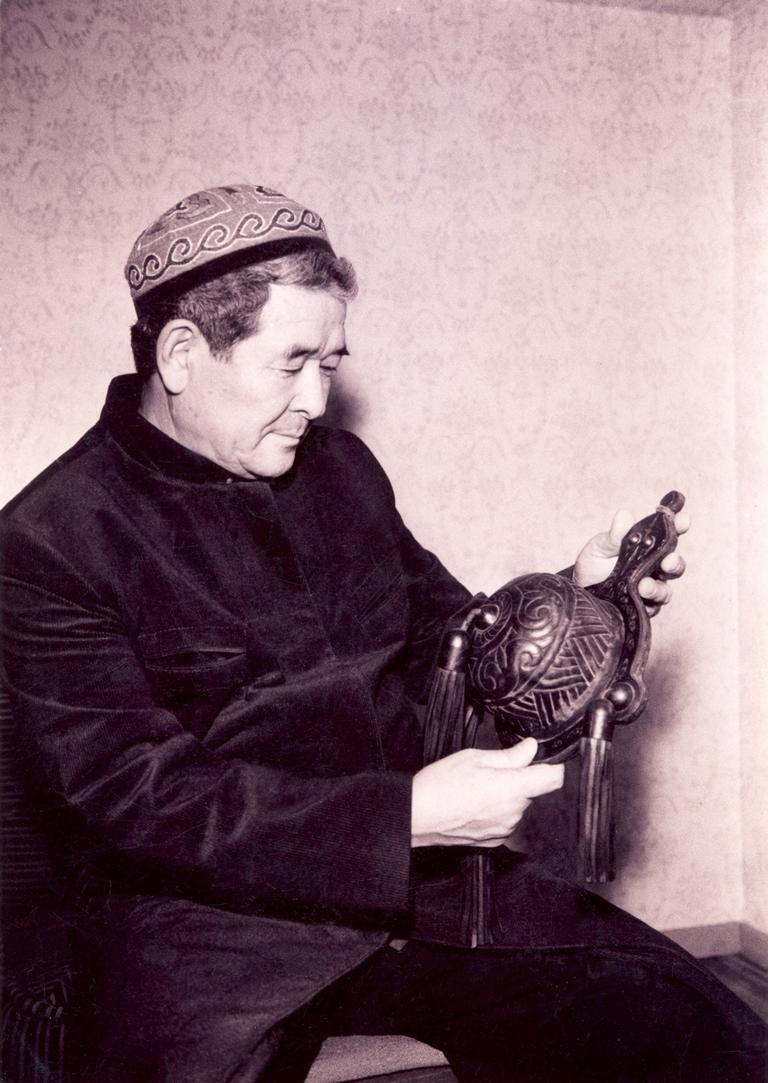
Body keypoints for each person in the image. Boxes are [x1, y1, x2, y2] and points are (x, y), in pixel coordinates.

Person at [1, 183, 764, 1083]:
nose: (316, 400)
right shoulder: (51, 539)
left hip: (421, 895)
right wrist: (405, 816)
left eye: (330, 363)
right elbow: (141, 800)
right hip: (208, 937)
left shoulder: (343, 470)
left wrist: (576, 602)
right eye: (292, 363)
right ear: (180, 353)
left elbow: (453, 638)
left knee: (682, 1022)